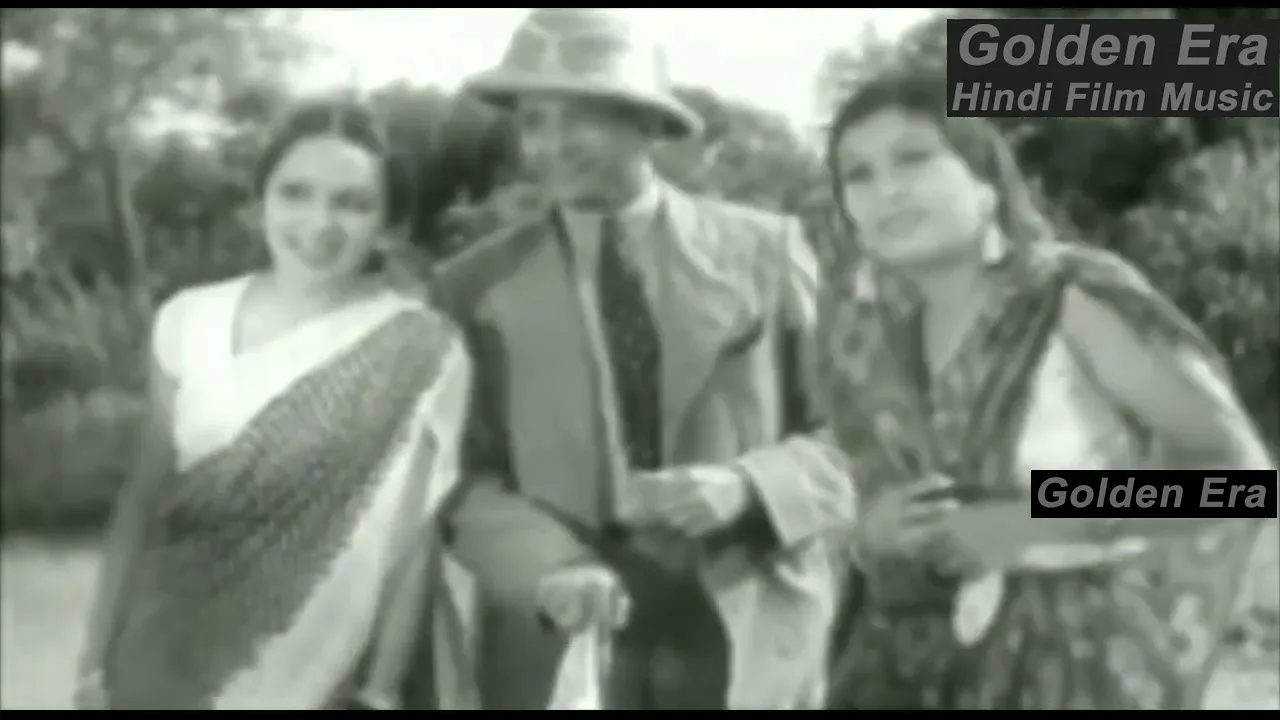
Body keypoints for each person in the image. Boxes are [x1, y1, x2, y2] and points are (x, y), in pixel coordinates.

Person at [414, 8, 854, 710]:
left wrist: (749, 485)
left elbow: (854, 435)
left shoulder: (766, 252)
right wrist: (551, 567)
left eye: (580, 118)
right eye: (534, 122)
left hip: (747, 630)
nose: (551, 146)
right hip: (566, 644)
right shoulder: (471, 288)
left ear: (648, 124)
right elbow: (458, 476)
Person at [818, 66, 1275, 710]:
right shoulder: (859, 336)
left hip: (1072, 665)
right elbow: (846, 499)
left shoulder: (1069, 296)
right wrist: (875, 535)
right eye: (857, 175)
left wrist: (1030, 519)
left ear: (985, 180)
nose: (886, 190)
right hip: (900, 669)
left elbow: (1241, 482)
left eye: (914, 158)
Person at [73, 95, 489, 710]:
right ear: (258, 203)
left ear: (389, 226)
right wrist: (93, 662)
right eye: (295, 193)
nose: (319, 223)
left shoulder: (425, 348)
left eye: (352, 203)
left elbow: (412, 539)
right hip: (161, 659)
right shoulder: (189, 320)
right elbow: (143, 499)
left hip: (321, 672)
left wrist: (381, 689)